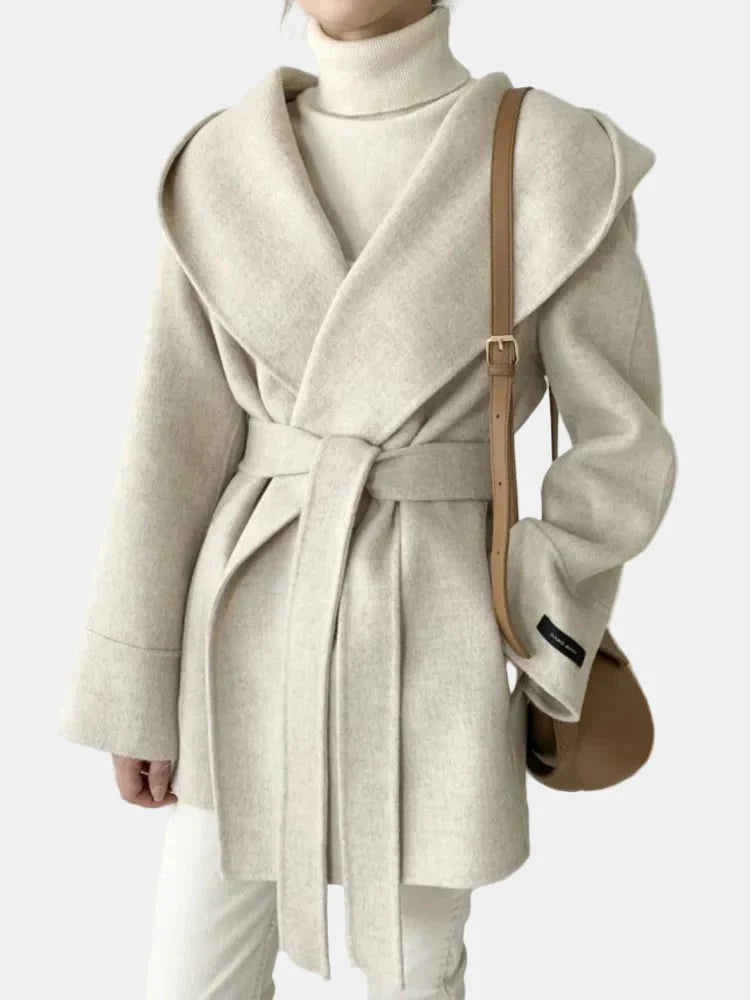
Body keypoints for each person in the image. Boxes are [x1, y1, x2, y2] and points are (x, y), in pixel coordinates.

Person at [57, 1, 678, 997]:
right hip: (244, 632)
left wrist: (526, 604)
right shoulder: (221, 163)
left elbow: (623, 445)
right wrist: (137, 684)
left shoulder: (551, 158)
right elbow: (168, 445)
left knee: (414, 974)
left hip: (437, 633)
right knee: (190, 978)